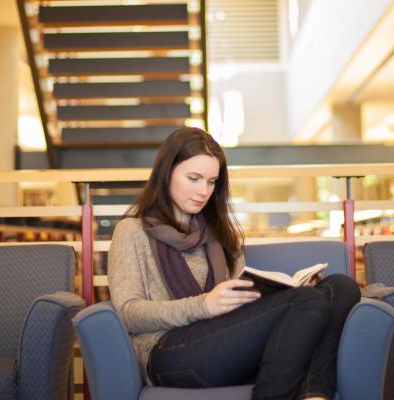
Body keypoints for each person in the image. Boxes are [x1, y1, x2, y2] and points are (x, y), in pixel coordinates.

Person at [109, 127, 361, 400]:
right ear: (166, 173)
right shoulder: (132, 231)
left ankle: (314, 395)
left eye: (211, 181)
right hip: (166, 354)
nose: (203, 191)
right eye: (193, 178)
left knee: (340, 287)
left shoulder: (219, 235)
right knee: (306, 301)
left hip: (225, 344)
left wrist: (280, 291)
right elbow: (128, 313)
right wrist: (204, 305)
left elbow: (240, 310)